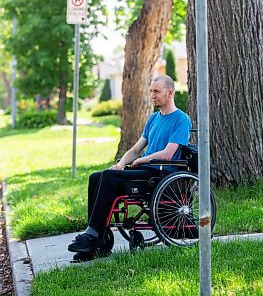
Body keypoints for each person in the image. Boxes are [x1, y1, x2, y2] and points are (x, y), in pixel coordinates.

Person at [68, 74, 191, 255]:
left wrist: (141, 160)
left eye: (156, 92)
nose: (152, 95)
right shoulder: (153, 119)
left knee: (109, 178)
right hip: (145, 170)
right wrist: (122, 163)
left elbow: (167, 154)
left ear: (170, 93)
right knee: (96, 177)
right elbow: (135, 149)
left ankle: (92, 236)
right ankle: (98, 237)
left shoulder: (181, 120)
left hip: (161, 173)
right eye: (151, 91)